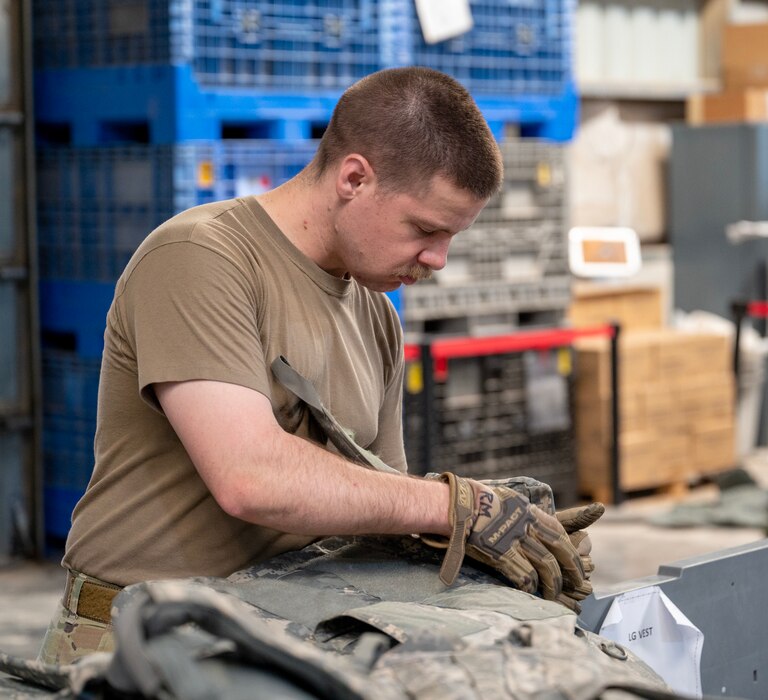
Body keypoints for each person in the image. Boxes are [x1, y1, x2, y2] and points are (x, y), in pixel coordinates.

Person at [38, 67, 598, 665]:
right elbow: (251, 478)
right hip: (138, 641)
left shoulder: (376, 315)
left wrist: (478, 532)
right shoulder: (201, 258)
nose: (437, 258)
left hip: (279, 632)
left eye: (453, 236)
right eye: (425, 229)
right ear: (354, 178)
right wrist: (452, 507)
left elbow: (378, 504)